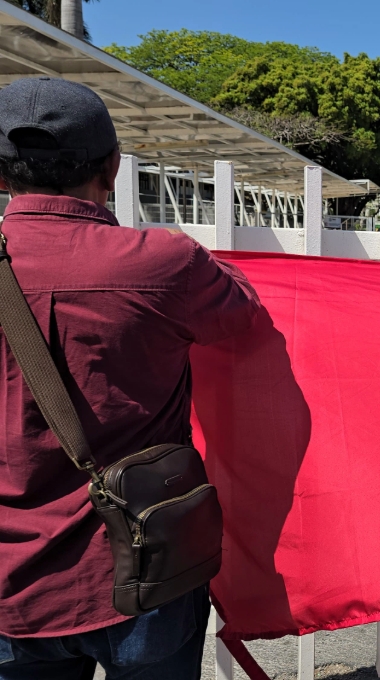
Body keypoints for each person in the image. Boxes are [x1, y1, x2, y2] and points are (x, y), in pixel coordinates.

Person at [0, 78, 261, 679]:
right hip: (144, 569)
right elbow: (243, 311)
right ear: (113, 168)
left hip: (12, 586)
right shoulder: (164, 262)